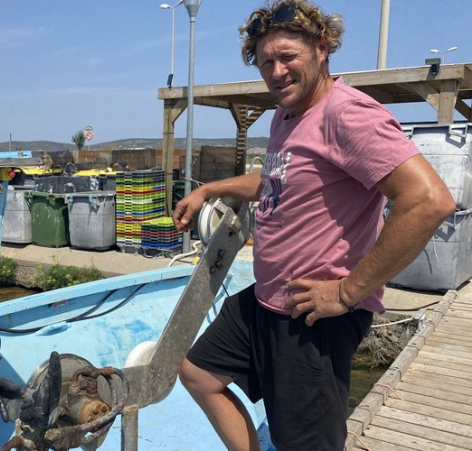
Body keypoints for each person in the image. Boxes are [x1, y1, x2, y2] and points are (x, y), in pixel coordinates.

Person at [172, 1, 456, 449]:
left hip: (313, 314)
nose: (277, 71)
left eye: (288, 57)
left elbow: (428, 200)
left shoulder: (347, 114)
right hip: (268, 301)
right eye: (267, 62)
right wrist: (209, 189)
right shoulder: (287, 113)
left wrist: (347, 292)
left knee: (304, 442)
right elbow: (276, 176)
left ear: (321, 49)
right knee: (198, 373)